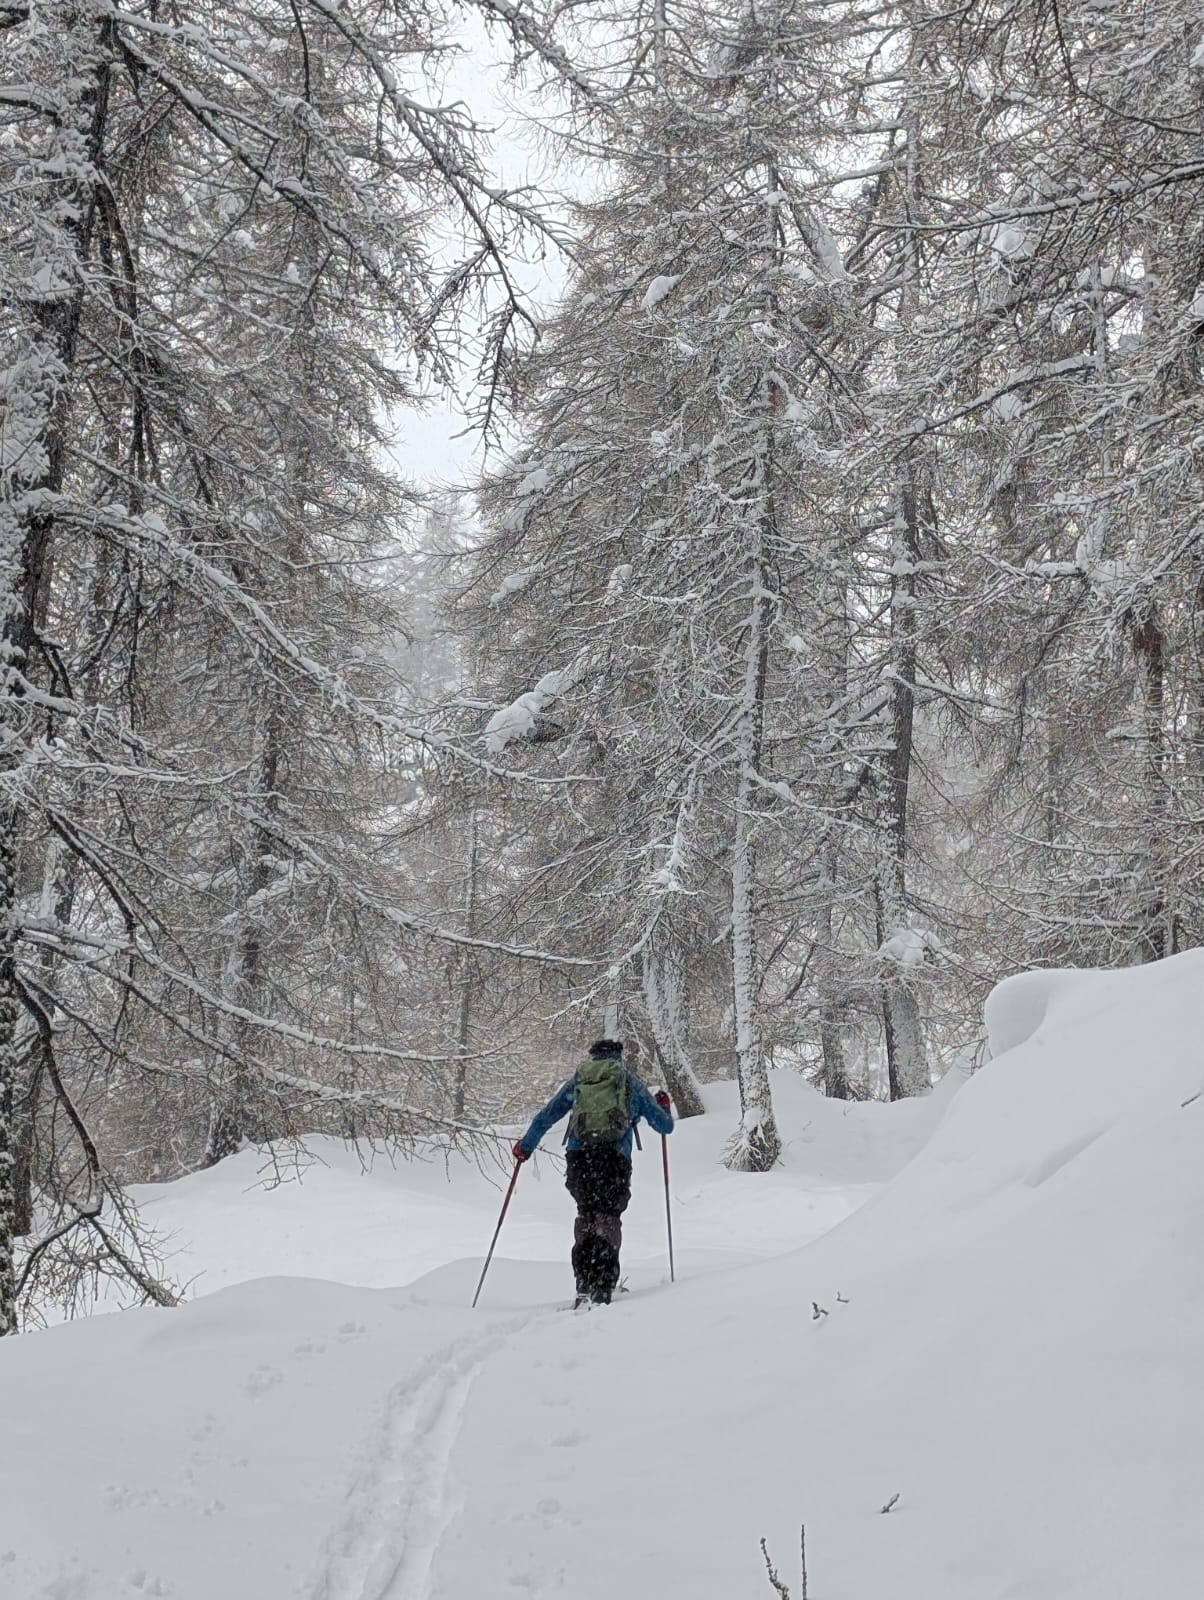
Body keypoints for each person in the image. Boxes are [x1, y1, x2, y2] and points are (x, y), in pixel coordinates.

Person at [513, 1039, 673, 1306]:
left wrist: (524, 1147)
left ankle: (583, 1282)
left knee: (586, 1215)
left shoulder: (579, 1082)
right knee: (608, 1217)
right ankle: (603, 1285)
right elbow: (664, 1127)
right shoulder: (629, 1082)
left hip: (580, 1160)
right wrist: (664, 1106)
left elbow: (546, 1116)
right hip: (614, 1160)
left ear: (593, 1056)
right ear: (619, 1057)